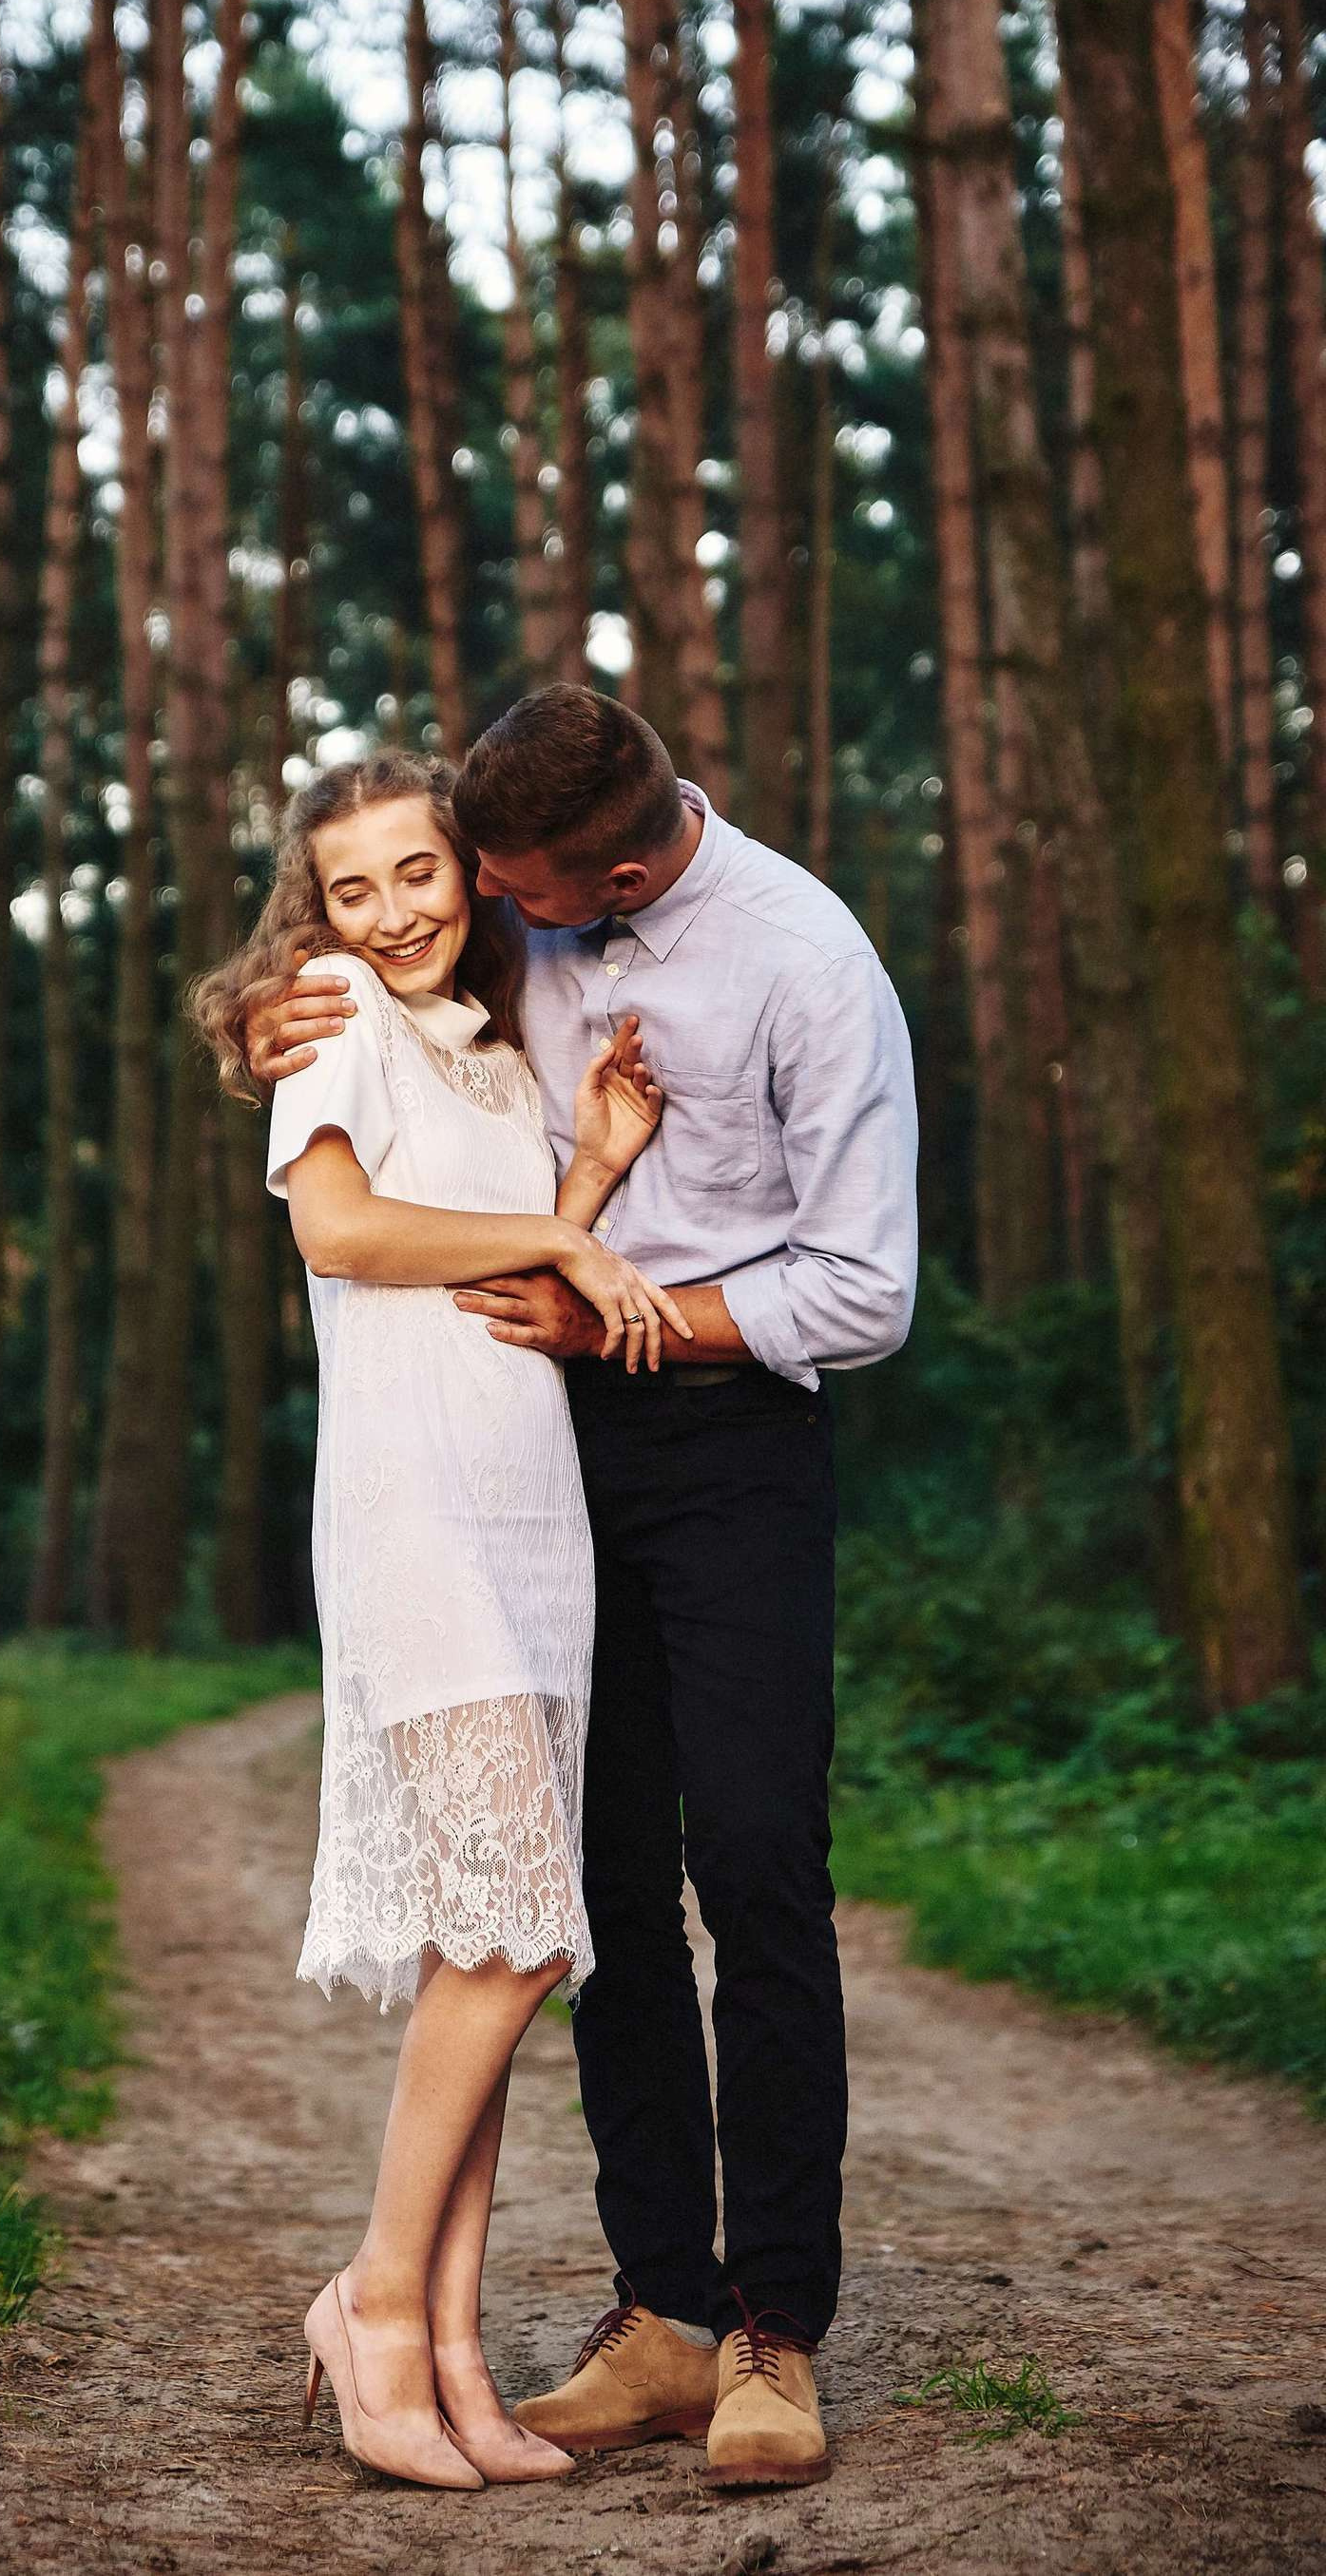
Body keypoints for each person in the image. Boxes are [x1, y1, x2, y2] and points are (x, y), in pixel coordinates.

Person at [245, 687, 918, 2492]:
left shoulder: (807, 964)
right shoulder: (491, 917)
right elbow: (371, 1066)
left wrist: (611, 1289)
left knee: (758, 1863)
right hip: (536, 1445)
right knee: (591, 1883)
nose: (465, 905)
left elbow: (863, 1294)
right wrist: (277, 1011)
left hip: (726, 1433)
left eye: (492, 885)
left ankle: (777, 2328)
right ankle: (661, 2316)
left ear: (606, 869)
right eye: (456, 875)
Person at [191, 748, 689, 2492]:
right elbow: (338, 1228)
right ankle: (378, 2304)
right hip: (415, 1520)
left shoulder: (485, 1048)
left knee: (501, 1941)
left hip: (529, 1523)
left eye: (417, 874)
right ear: (312, 912)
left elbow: (496, 1257)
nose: (392, 912)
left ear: (470, 876)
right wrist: (574, 1250)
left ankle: (461, 2361)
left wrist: (592, 1185)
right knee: (510, 1939)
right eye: (353, 886)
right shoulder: (323, 1014)